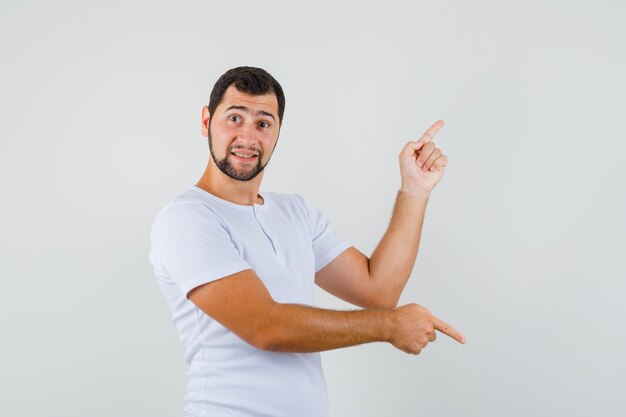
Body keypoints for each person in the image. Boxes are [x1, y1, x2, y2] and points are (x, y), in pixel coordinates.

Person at [149, 66, 466, 417]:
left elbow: (379, 291)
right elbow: (265, 327)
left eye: (263, 123)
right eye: (235, 118)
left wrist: (414, 190)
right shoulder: (187, 218)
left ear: (278, 131)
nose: (248, 137)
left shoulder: (295, 212)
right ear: (206, 121)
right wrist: (389, 327)